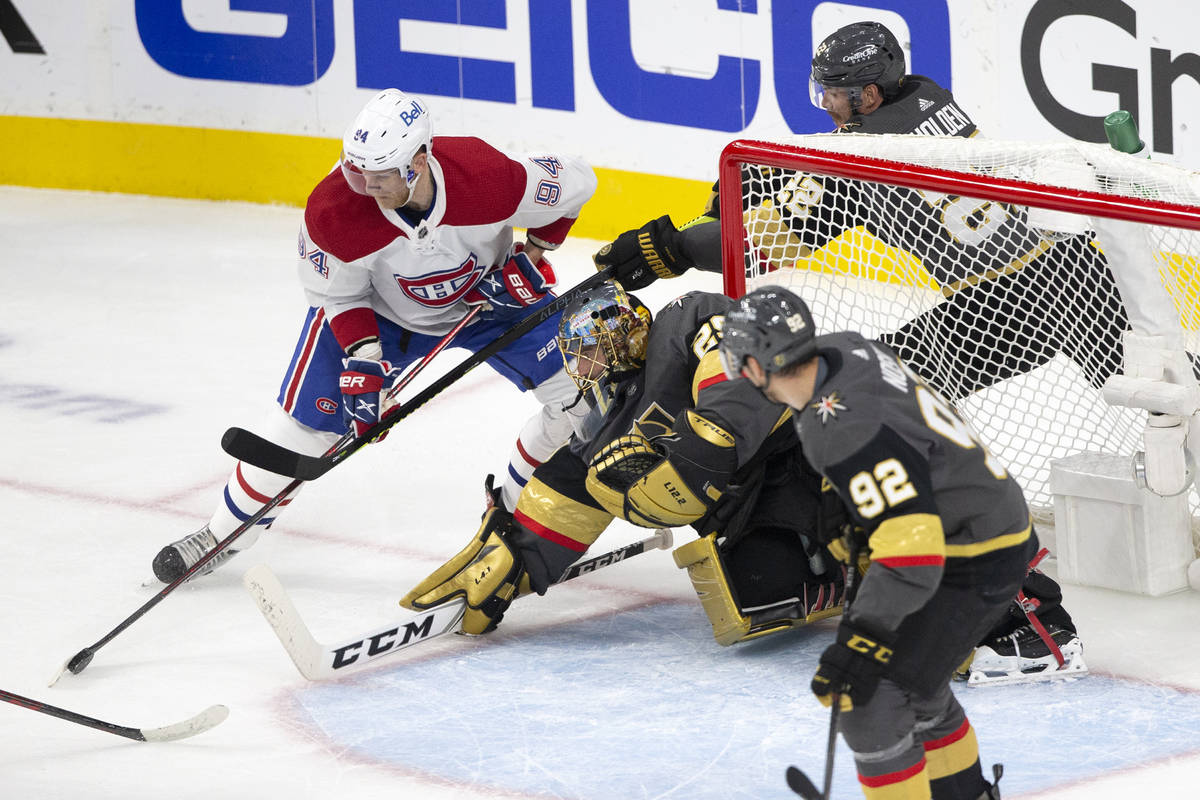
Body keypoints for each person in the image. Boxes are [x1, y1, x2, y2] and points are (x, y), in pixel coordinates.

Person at [590, 19, 1087, 680]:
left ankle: (1017, 614)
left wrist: (670, 248)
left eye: (835, 93)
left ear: (871, 95)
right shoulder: (934, 103)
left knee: (867, 406)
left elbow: (758, 243)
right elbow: (817, 168)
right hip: (1067, 277)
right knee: (877, 390)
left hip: (1004, 306)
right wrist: (768, 177)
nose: (825, 103)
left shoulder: (865, 158)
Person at [151, 88, 598, 583]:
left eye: (381, 174)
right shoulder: (334, 210)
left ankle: (512, 527)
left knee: (584, 398)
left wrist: (531, 256)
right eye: (356, 169)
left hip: (488, 303)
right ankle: (219, 536)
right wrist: (364, 362)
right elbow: (337, 296)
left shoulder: (486, 175)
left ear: (420, 161)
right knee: (305, 430)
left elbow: (577, 185)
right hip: (380, 316)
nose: (364, 184)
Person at [400, 282, 848, 644]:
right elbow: (567, 490)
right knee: (758, 588)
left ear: (628, 338)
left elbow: (746, 358)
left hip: (808, 456)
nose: (580, 365)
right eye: (575, 355)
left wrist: (705, 447)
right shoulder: (603, 431)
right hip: (745, 511)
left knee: (863, 550)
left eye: (588, 349)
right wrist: (515, 560)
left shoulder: (681, 326)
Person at [719, 285, 1015, 800]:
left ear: (753, 365)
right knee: (917, 693)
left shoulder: (840, 427)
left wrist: (862, 636)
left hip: (968, 551)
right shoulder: (848, 348)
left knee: (871, 695)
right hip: (980, 517)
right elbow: (903, 437)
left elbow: (913, 553)